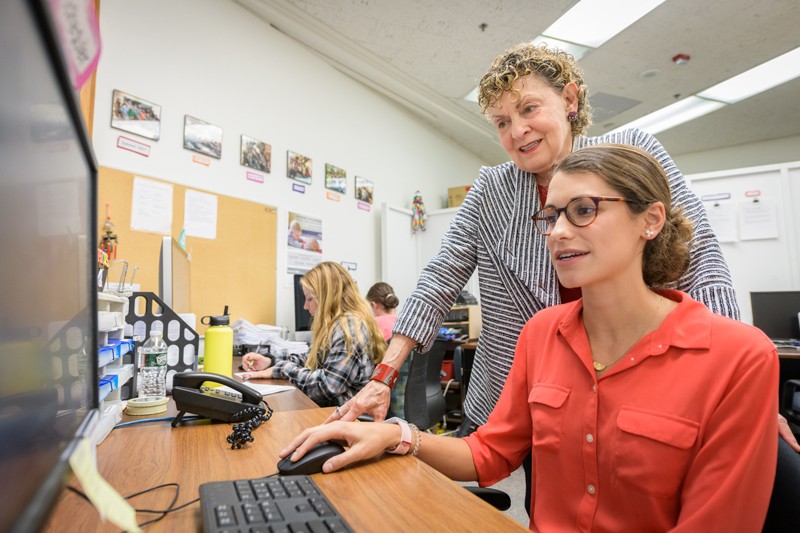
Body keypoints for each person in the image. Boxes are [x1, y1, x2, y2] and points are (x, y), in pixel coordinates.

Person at [330, 42, 800, 453]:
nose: (517, 132)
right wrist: (383, 377)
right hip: (526, 390)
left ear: (569, 99)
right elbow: (439, 279)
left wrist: (743, 389)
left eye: (529, 109)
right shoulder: (492, 189)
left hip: (631, 379)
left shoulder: (629, 152)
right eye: (501, 122)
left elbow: (701, 262)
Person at [281, 144, 779, 531]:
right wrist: (393, 434)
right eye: (551, 215)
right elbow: (489, 455)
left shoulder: (739, 357)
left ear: (650, 220)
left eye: (583, 210)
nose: (558, 231)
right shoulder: (542, 334)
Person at [241, 262, 385, 407]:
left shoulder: (349, 328)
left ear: (327, 298)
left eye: (310, 299)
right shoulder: (337, 324)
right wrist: (270, 360)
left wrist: (283, 370)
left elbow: (327, 386)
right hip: (333, 412)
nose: (305, 306)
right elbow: (313, 359)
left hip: (348, 418)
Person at [366, 282, 405, 417]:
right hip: (410, 399)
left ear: (374, 305)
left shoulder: (373, 324)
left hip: (387, 396)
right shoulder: (406, 325)